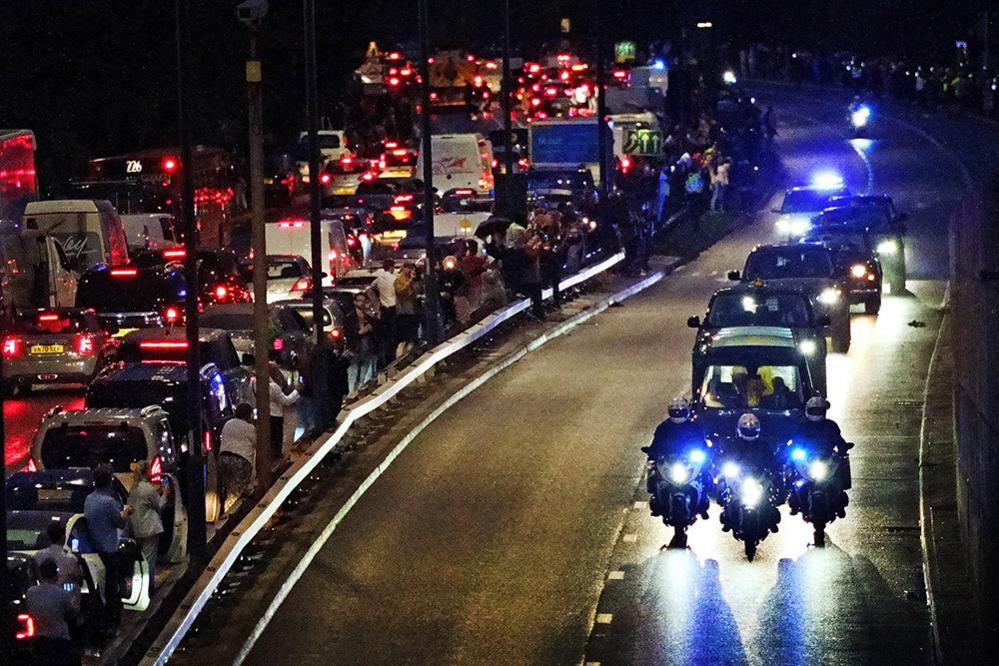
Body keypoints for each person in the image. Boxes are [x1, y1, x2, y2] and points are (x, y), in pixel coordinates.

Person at [83, 464, 131, 637]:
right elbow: (120, 523)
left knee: (102, 590)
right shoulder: (110, 502)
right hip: (109, 550)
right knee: (113, 589)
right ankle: (113, 624)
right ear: (109, 481)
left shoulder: (89, 499)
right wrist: (127, 512)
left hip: (95, 549)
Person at [26, 559, 81, 666]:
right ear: (56, 573)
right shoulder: (61, 593)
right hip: (59, 640)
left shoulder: (31, 592)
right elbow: (72, 613)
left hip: (40, 640)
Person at [126, 460, 167, 591]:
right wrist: (165, 494)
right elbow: (159, 506)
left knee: (139, 558)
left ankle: (138, 585)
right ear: (146, 472)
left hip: (137, 528)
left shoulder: (134, 489)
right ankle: (148, 587)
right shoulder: (148, 489)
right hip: (150, 529)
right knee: (149, 560)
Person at [257, 362, 299, 460]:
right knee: (277, 440)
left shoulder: (256, 383)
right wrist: (297, 391)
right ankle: (276, 460)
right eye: (275, 370)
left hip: (263, 415)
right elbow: (286, 401)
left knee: (268, 439)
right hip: (275, 416)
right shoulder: (273, 387)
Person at [220, 403, 257, 508]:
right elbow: (256, 444)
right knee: (236, 494)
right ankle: (231, 516)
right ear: (248, 415)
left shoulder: (228, 423)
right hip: (240, 461)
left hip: (223, 459)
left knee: (230, 490)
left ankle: (226, 510)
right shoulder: (249, 428)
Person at [346, 292, 377, 394]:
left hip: (367, 349)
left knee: (364, 370)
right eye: (359, 301)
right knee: (353, 371)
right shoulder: (350, 316)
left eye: (364, 301)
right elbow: (350, 333)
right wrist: (360, 330)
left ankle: (360, 389)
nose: (362, 303)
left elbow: (377, 328)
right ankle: (351, 392)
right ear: (355, 302)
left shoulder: (369, 316)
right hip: (355, 348)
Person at [394, 263, 421, 358]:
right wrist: (410, 281)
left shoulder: (412, 280)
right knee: (404, 338)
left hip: (413, 310)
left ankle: (409, 355)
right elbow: (401, 292)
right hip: (403, 311)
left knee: (412, 336)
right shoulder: (398, 280)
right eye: (409, 268)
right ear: (404, 268)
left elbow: (417, 291)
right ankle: (400, 356)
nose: (410, 271)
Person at [373, 259, 398, 364]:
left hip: (384, 310)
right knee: (393, 335)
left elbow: (370, 288)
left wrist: (376, 301)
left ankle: (384, 360)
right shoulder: (394, 278)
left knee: (384, 336)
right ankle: (391, 358)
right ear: (391, 267)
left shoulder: (378, 279)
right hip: (393, 309)